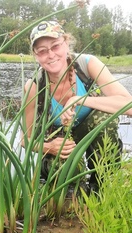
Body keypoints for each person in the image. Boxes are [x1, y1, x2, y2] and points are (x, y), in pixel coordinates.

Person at [21, 20, 132, 192]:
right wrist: (48, 146)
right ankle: (71, 189)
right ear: (36, 56)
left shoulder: (87, 65)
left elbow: (129, 106)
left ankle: (100, 186)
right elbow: (25, 140)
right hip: (63, 146)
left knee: (103, 120)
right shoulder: (34, 86)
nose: (50, 55)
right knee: (66, 185)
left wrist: (80, 99)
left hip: (93, 136)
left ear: (66, 44)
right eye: (42, 51)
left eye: (55, 46)